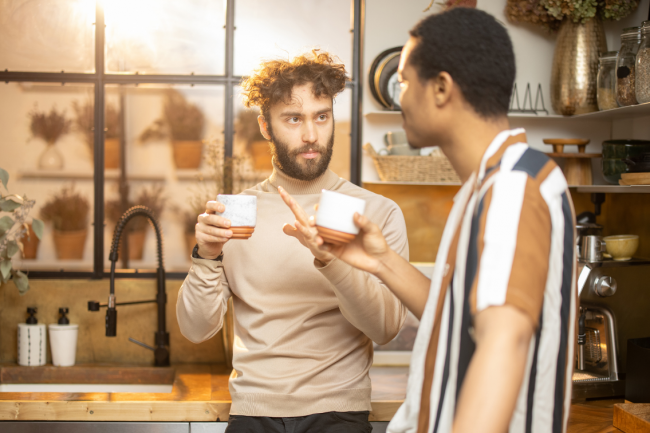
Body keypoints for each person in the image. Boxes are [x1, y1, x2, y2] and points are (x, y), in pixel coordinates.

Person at [286, 8, 577, 433]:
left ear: (441, 88)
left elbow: (504, 342)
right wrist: (379, 260)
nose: (397, 97)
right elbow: (458, 317)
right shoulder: (487, 187)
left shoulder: (513, 188)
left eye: (403, 82)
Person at [176, 51, 409, 433]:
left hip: (339, 414)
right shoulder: (236, 213)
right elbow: (196, 329)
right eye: (293, 119)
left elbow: (385, 328)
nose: (311, 135)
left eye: (322, 116)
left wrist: (331, 260)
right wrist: (206, 256)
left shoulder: (376, 212)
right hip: (252, 414)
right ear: (266, 127)